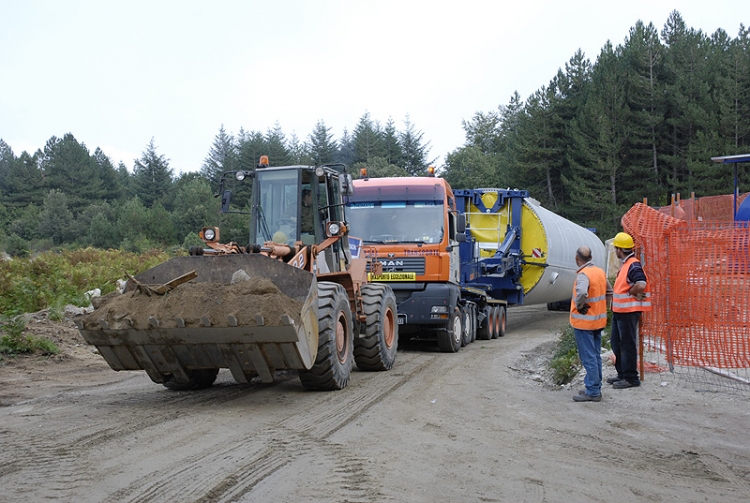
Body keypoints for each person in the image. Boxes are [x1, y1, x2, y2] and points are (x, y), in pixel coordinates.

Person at [608, 232, 651, 389]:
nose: (615, 251)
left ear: (620, 250)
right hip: (621, 312)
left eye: (616, 249)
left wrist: (630, 292)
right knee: (617, 343)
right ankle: (622, 374)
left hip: (628, 312)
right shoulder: (628, 264)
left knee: (627, 345)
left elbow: (641, 283)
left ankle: (631, 378)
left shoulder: (633, 264)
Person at [570, 246, 613, 402]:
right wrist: (601, 307)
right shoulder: (600, 272)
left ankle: (593, 391)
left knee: (588, 357)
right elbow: (610, 292)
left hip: (584, 323)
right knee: (595, 356)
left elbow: (581, 293)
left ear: (577, 258)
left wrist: (581, 305)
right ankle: (594, 387)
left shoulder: (583, 275)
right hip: (598, 321)